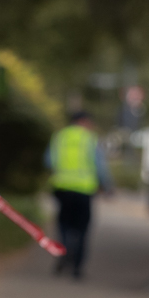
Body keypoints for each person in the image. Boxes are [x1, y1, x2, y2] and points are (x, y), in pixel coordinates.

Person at [47, 110, 112, 279]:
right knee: (82, 230)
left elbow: (48, 161)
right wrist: (107, 186)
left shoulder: (60, 137)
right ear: (84, 121)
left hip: (62, 187)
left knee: (64, 226)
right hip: (84, 190)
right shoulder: (89, 139)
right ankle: (77, 268)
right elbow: (100, 166)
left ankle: (63, 252)